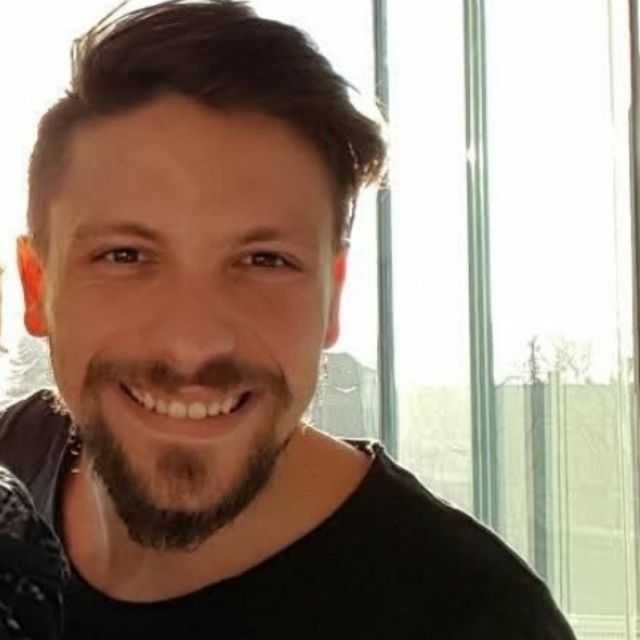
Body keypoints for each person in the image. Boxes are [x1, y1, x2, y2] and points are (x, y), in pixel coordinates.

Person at [0, 1, 576, 637]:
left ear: (332, 297)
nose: (191, 345)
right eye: (125, 256)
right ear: (37, 284)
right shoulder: (9, 476)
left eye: (264, 260)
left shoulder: (475, 618)